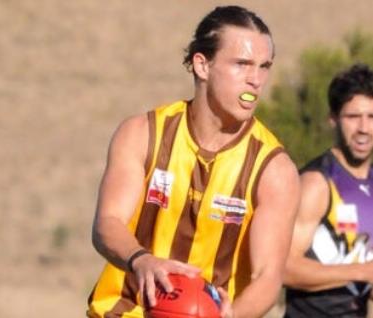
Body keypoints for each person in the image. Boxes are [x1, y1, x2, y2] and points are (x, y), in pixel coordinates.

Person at [88, 6, 300, 318]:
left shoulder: (273, 170)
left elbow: (267, 277)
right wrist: (141, 260)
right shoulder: (143, 134)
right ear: (202, 65)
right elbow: (107, 224)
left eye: (264, 66)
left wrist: (230, 316)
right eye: (242, 64)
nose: (255, 80)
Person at [284, 63, 373, 317]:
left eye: (371, 117)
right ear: (333, 119)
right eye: (353, 117)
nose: (364, 128)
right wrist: (361, 271)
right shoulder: (317, 183)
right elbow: (284, 267)